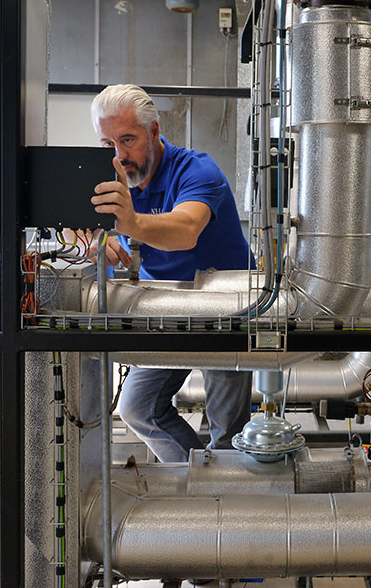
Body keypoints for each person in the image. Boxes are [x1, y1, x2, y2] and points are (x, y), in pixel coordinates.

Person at [87, 84, 254, 463]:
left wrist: (128, 225)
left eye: (127, 140)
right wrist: (99, 244)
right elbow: (89, 234)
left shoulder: (197, 170)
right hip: (169, 307)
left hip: (227, 307)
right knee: (138, 407)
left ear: (154, 132)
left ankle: (228, 501)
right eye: (106, 144)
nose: (118, 155)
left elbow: (184, 231)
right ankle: (200, 481)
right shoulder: (111, 180)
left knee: (226, 430)